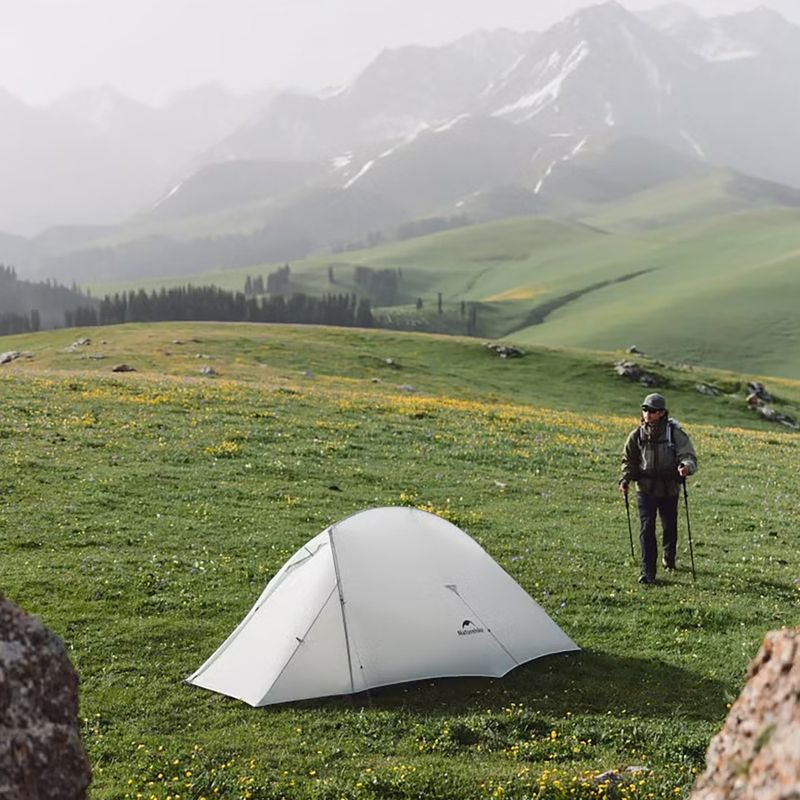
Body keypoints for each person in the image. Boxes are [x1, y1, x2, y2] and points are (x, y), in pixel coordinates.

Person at [619, 392, 697, 584]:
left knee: (669, 525)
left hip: (669, 488)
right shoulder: (636, 435)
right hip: (645, 488)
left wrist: (686, 467)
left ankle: (669, 557)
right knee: (647, 527)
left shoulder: (675, 433)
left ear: (662, 413)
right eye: (645, 409)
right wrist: (625, 479)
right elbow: (628, 460)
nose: (648, 414)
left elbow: (688, 455)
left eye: (652, 411)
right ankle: (648, 572)